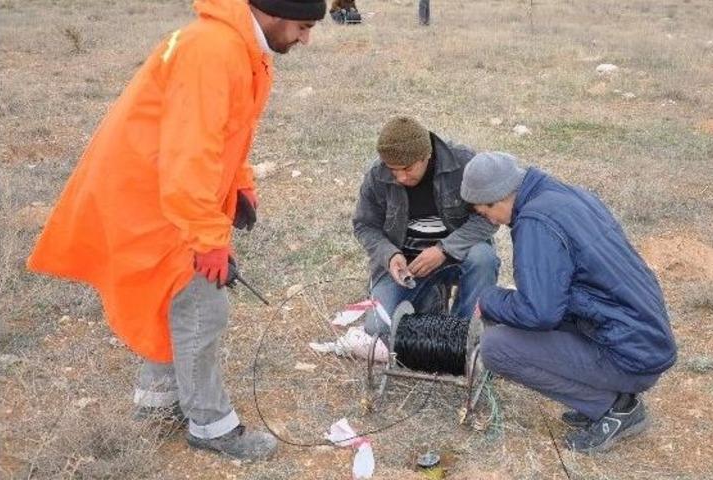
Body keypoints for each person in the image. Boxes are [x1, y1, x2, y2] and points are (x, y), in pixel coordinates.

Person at [26, 0, 326, 461]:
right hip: (156, 200)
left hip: (162, 195)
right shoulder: (215, 51)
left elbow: (226, 132)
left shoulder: (239, 47)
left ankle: (158, 401)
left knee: (170, 296)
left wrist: (240, 183)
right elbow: (189, 156)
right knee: (201, 307)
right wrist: (209, 240)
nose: (306, 39)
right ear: (273, 13)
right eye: (303, 27)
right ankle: (211, 427)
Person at [460, 152, 678, 454]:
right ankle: (606, 395)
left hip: (630, 356)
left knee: (496, 347)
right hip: (642, 338)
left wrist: (489, 299)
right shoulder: (567, 196)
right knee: (516, 315)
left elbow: (539, 313)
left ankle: (614, 408)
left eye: (485, 213)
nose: (491, 222)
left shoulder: (535, 222)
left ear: (497, 199)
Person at [353, 116, 500, 336]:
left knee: (483, 258)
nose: (401, 177)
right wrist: (390, 255)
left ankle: (462, 334)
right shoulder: (377, 174)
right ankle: (431, 297)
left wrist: (444, 250)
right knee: (377, 331)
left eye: (407, 168)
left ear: (426, 155)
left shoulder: (464, 164)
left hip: (458, 256)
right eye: (393, 170)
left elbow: (490, 217)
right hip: (407, 266)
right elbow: (365, 225)